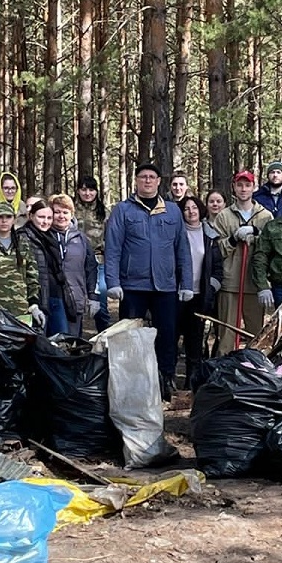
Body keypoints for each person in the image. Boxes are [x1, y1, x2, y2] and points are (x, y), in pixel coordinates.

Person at [104, 163, 194, 400]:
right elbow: (113, 247)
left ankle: (166, 379)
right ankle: (130, 383)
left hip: (165, 285)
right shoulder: (123, 210)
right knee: (129, 336)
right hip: (133, 286)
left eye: (152, 177)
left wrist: (186, 283)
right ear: (136, 180)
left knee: (167, 335)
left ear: (158, 181)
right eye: (143, 177)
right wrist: (113, 281)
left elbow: (182, 249)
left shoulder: (172, 211)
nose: (147, 181)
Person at [211, 170, 274, 354]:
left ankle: (254, 367)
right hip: (230, 284)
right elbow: (217, 250)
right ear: (234, 187)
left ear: (254, 187)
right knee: (227, 336)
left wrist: (257, 235)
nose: (243, 189)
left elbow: (271, 248)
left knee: (256, 336)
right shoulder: (224, 216)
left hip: (254, 285)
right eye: (240, 185)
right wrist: (233, 239)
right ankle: (225, 368)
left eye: (247, 185)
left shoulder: (265, 216)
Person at [177, 195, 223, 388]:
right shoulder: (176, 233)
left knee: (195, 341)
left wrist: (210, 289)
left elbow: (218, 268)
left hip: (199, 296)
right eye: (186, 208)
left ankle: (192, 382)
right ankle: (167, 380)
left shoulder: (210, 236)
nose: (191, 212)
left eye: (194, 208)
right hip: (177, 295)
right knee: (170, 338)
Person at [49, 194, 99, 336]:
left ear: (72, 214)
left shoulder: (81, 239)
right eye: (57, 212)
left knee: (73, 340)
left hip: (75, 298)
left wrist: (93, 296)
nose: (61, 216)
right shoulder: (44, 236)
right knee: (55, 341)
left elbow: (91, 268)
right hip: (52, 299)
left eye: (65, 212)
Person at [21, 200, 68, 337]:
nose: (45, 222)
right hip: (36, 299)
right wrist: (32, 303)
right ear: (31, 216)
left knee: (62, 339)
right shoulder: (23, 237)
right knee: (40, 341)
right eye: (41, 217)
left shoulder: (52, 237)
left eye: (49, 218)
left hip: (55, 295)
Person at [73, 176, 111, 332]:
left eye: (91, 189)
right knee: (75, 304)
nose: (87, 193)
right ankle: (76, 339)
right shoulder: (71, 210)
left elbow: (110, 238)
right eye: (83, 189)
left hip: (98, 261)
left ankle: (104, 338)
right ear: (78, 191)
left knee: (100, 305)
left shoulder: (104, 212)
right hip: (75, 262)